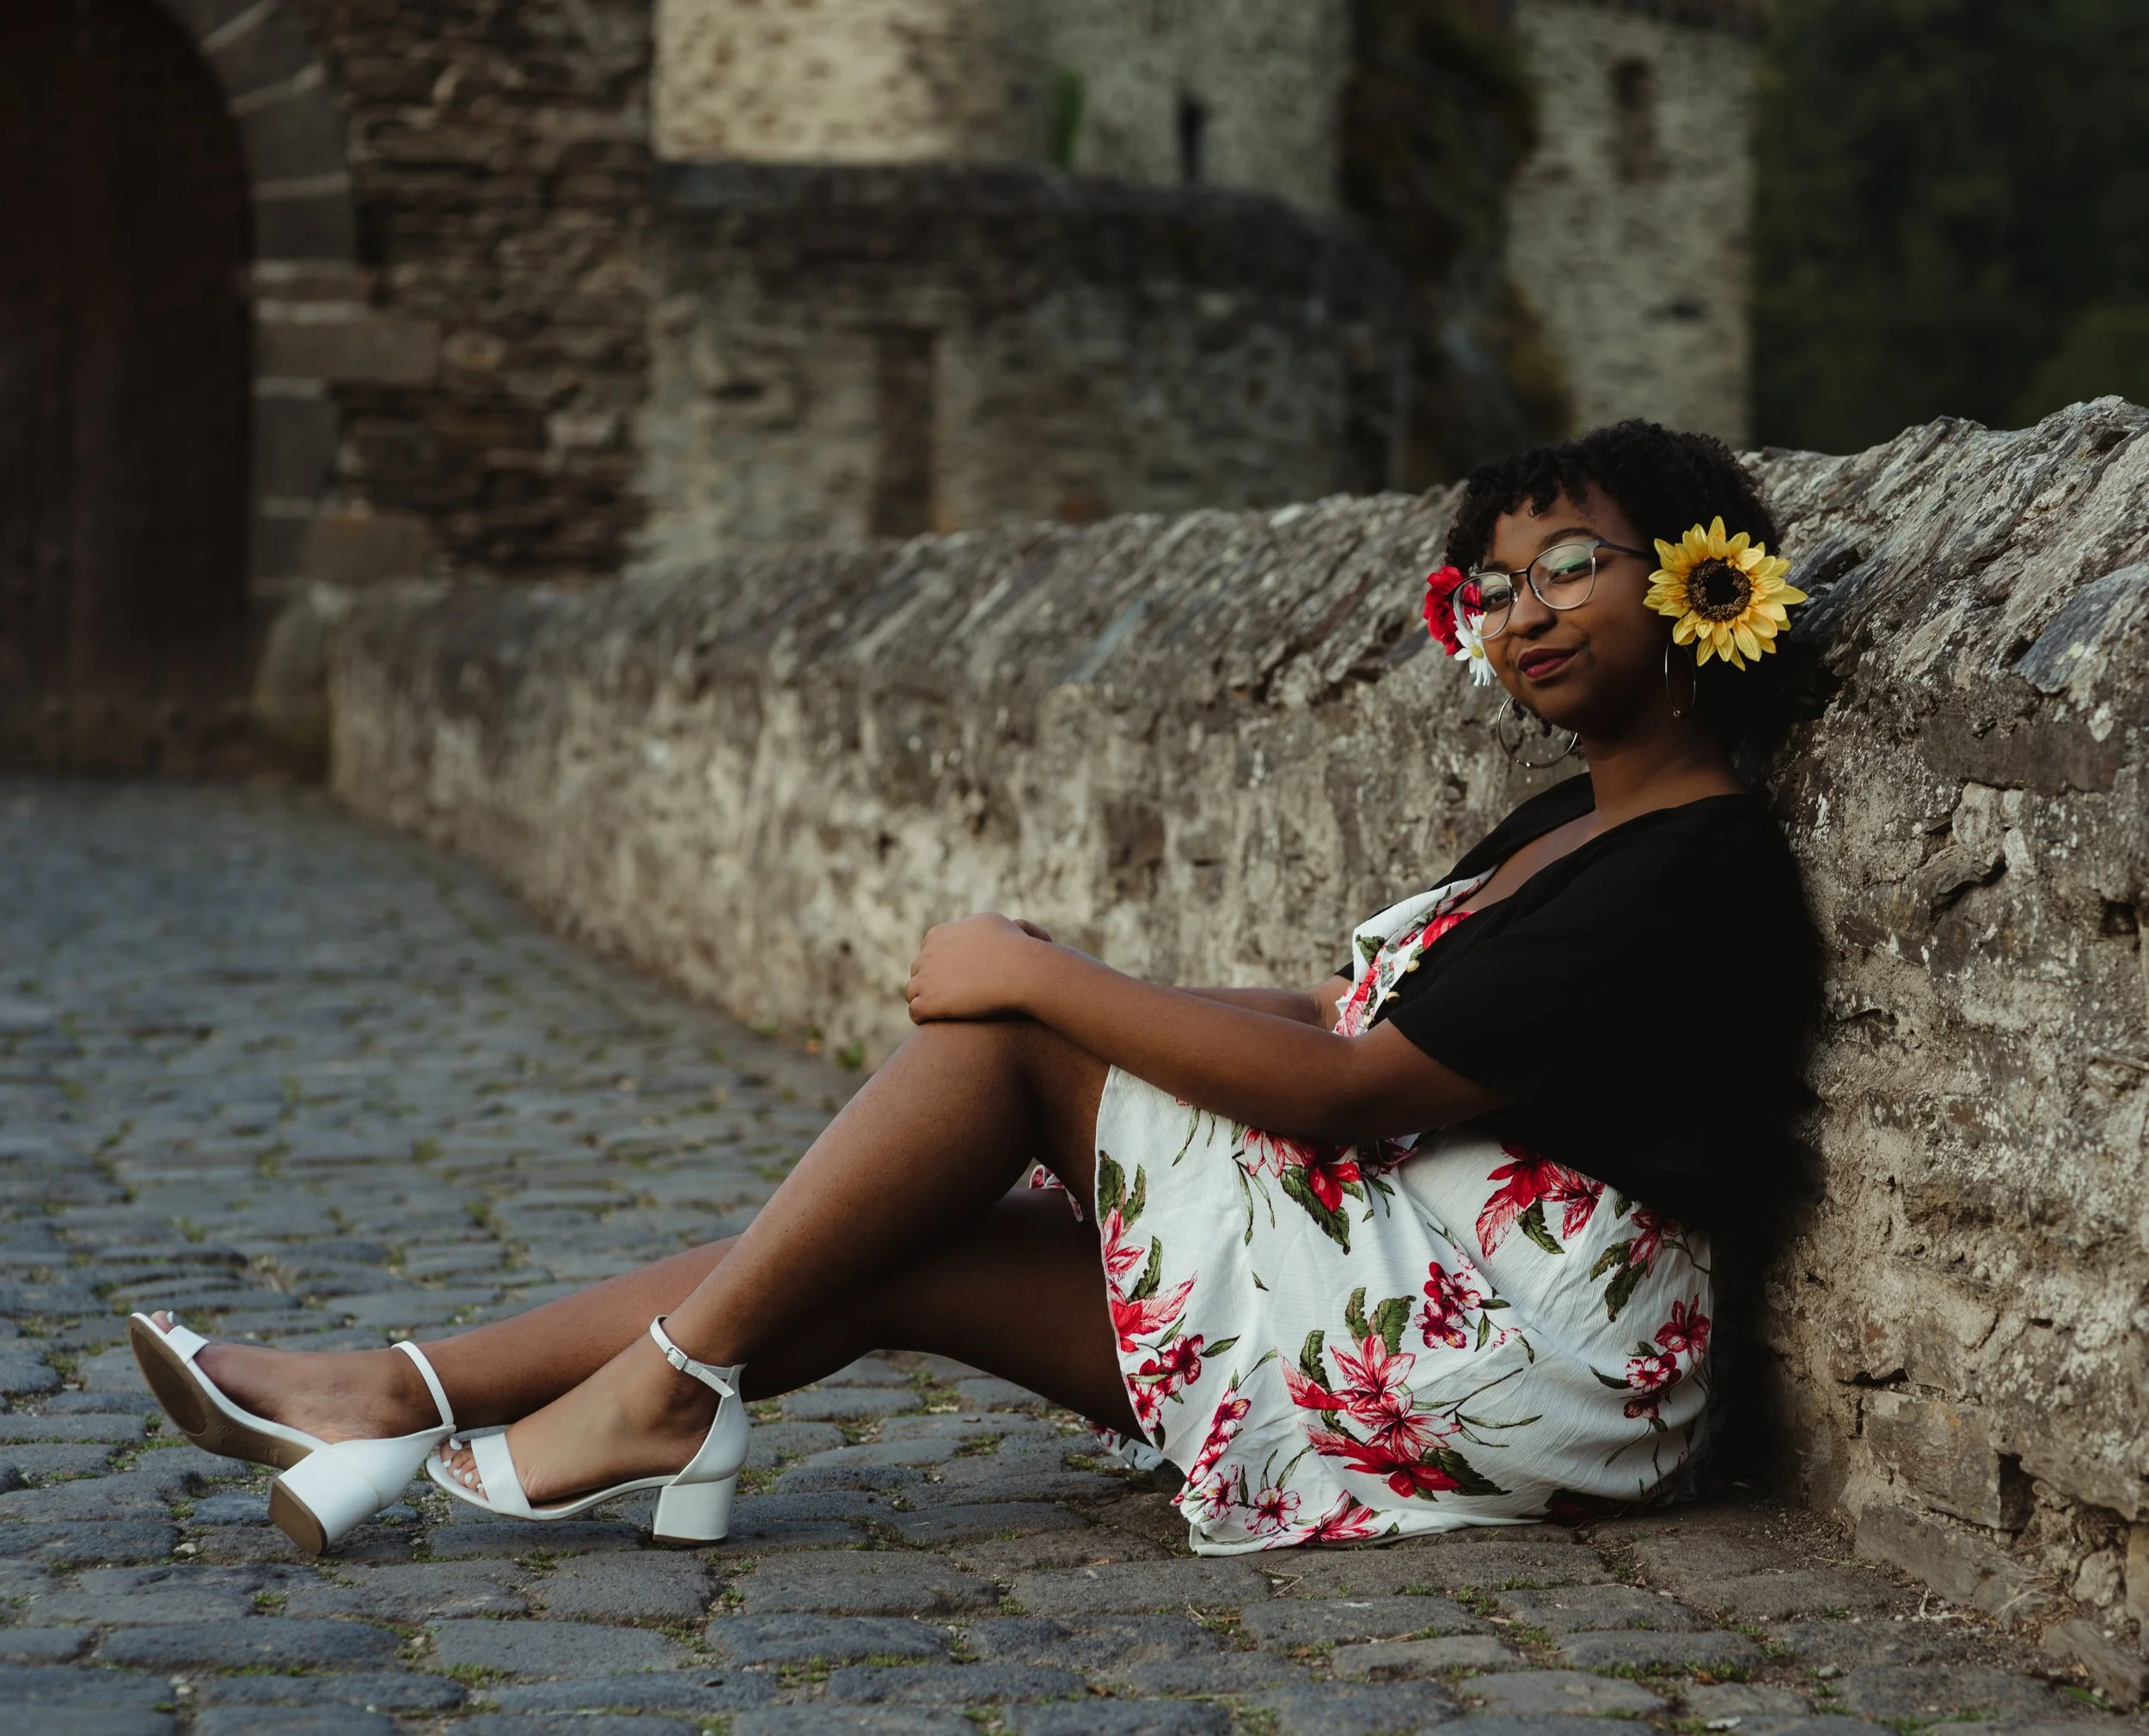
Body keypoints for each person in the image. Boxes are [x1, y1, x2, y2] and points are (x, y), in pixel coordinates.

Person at [132, 420, 1821, 1556]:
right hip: (1406, 1281)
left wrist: (1043, 983)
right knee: (907, 1237)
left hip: (1540, 1363)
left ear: (1695, 586)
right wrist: (1098, 997)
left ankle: (658, 1390)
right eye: (1500, 582)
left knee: (1007, 1033)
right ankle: (394, 1394)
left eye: (1573, 567)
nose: (1523, 612)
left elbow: (1356, 1087)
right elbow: (1328, 1011)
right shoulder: (1559, 820)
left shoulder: (1695, 862)